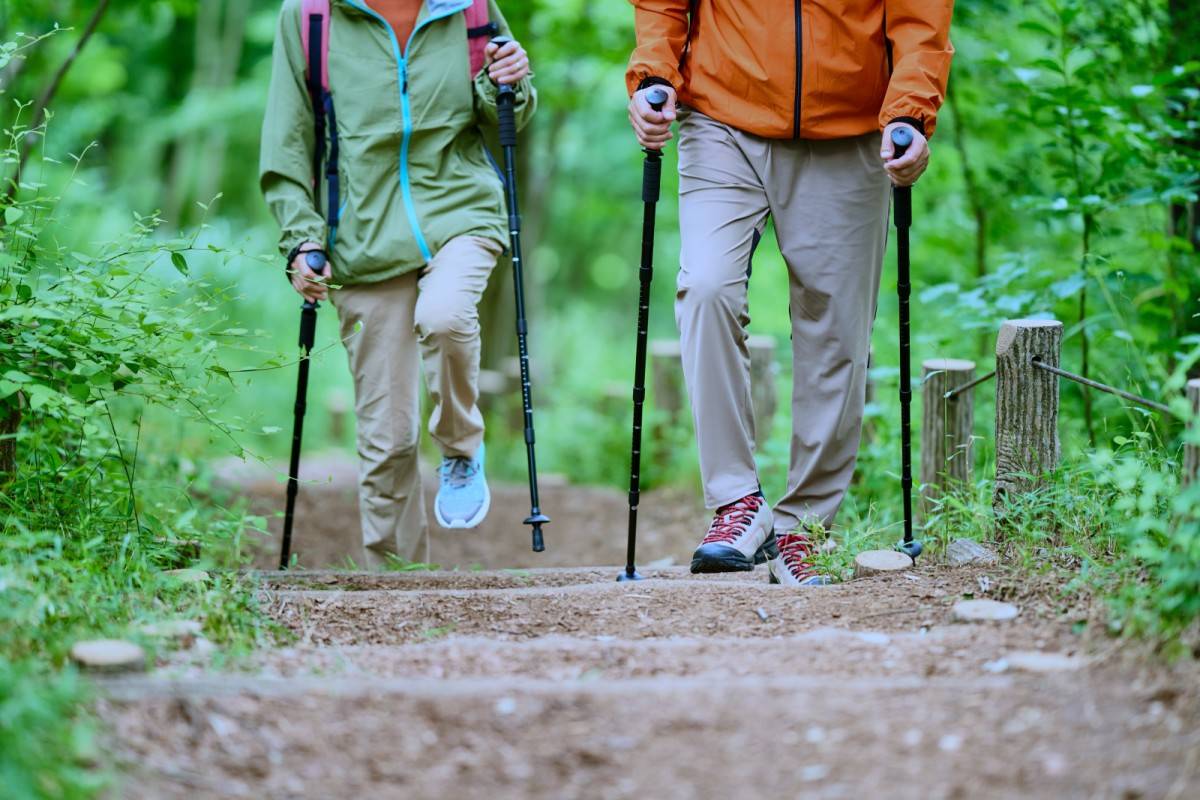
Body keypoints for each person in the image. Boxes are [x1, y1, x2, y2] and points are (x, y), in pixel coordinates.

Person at [625, 1, 954, 585]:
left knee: (837, 326)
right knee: (705, 286)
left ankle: (805, 526)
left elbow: (921, 22)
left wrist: (910, 114)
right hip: (723, 117)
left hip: (850, 132)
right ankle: (737, 504)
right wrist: (653, 75)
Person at [260, 0, 536, 567]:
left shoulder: (470, 7)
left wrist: (511, 82)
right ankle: (396, 585)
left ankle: (461, 448)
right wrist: (302, 239)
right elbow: (287, 143)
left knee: (445, 315)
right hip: (362, 238)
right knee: (387, 441)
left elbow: (506, 114)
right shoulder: (311, 18)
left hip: (461, 209)